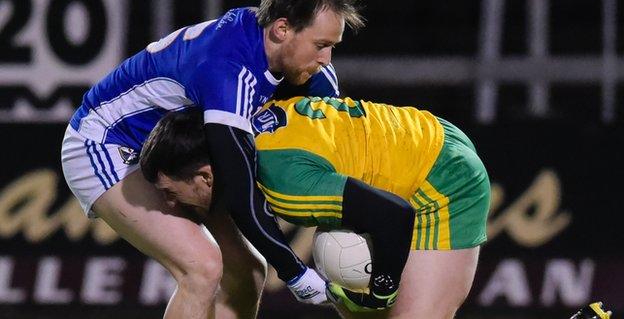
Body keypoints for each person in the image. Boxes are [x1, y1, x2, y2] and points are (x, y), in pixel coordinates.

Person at [60, 0, 364, 318]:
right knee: (201, 268)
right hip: (106, 145)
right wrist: (294, 270)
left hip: (180, 147)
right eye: (321, 45)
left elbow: (334, 152)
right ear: (281, 29)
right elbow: (238, 183)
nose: (326, 59)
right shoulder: (227, 70)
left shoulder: (296, 62)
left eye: (331, 47)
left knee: (247, 274)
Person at [141, 96, 491, 319]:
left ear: (205, 176)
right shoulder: (245, 115)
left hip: (442, 177)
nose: (170, 204)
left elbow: (393, 215)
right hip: (417, 134)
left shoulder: (283, 186)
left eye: (171, 192)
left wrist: (382, 292)